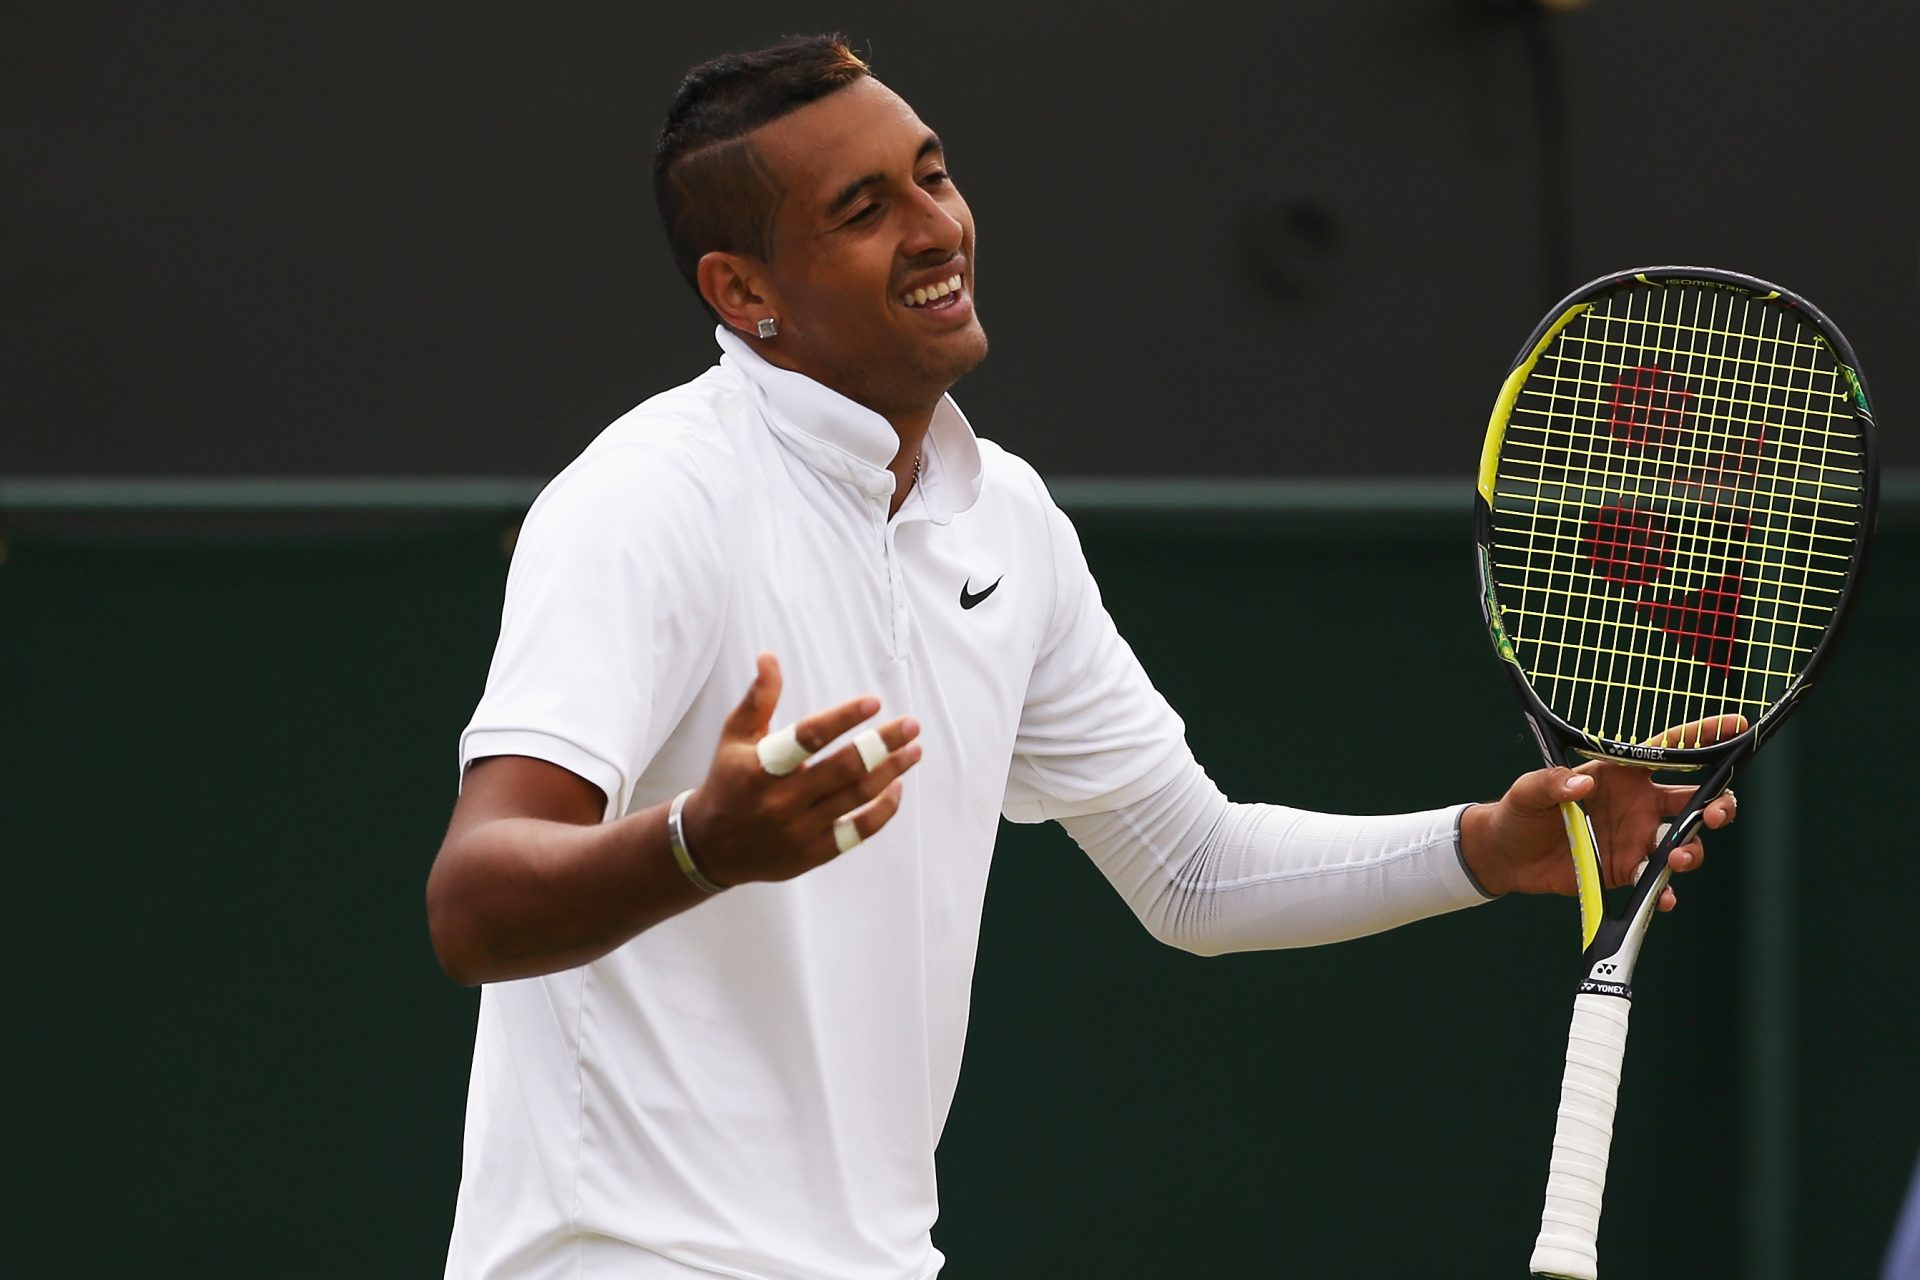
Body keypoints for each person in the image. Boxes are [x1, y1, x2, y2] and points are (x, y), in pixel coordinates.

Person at [425, 34, 1736, 1280]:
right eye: (863, 208)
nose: (937, 227)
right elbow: (475, 902)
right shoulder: (645, 500)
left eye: (933, 174)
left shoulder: (1008, 521)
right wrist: (704, 845)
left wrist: (1480, 849)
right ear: (745, 292)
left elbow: (1190, 870)